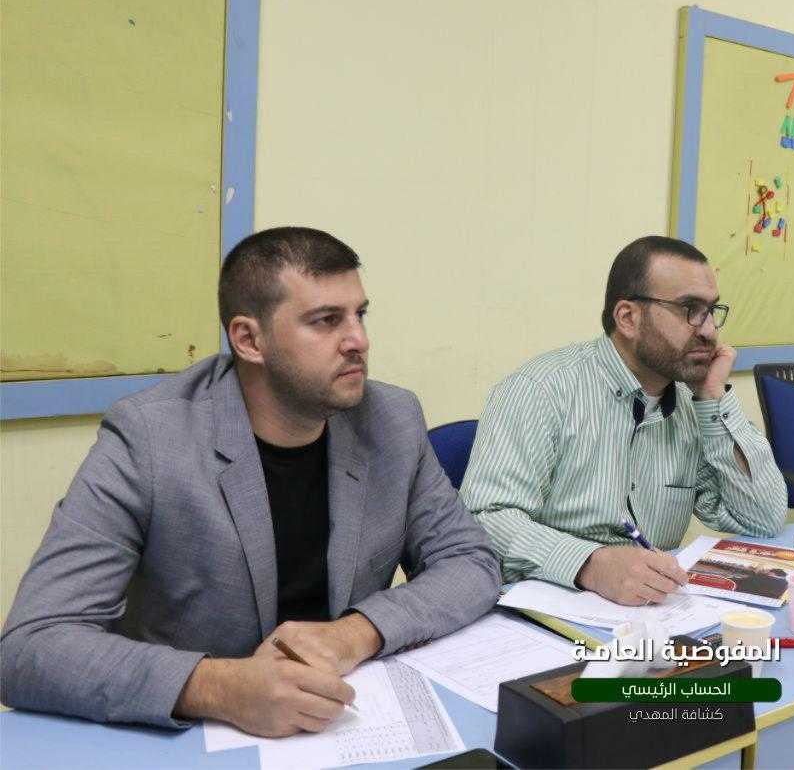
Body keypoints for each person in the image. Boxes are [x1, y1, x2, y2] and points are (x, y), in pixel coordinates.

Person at [0, 228, 500, 736]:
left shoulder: (391, 418)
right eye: (326, 320)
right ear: (249, 340)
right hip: (197, 738)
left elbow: (470, 561)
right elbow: (31, 645)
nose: (358, 341)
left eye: (359, 315)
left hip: (347, 721)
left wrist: (356, 633)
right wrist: (218, 687)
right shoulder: (150, 438)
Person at [460, 236, 787, 606]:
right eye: (690, 309)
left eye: (712, 310)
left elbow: (764, 521)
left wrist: (713, 399)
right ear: (628, 318)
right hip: (550, 609)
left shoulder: (691, 404)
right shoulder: (541, 391)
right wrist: (589, 563)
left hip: (653, 614)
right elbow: (485, 520)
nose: (709, 330)